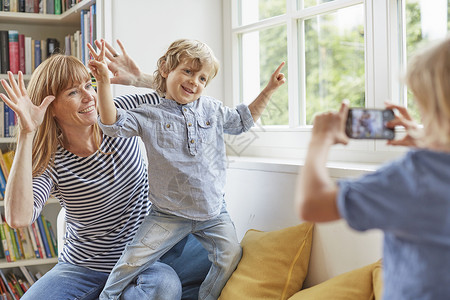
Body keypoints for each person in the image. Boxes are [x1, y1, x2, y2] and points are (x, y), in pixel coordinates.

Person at [0, 39, 212, 300]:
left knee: (166, 284)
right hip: (82, 267)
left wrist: (137, 78)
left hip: (139, 261)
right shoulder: (52, 160)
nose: (89, 96)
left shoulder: (118, 116)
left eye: (87, 84)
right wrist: (26, 133)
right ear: (50, 107)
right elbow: (19, 218)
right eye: (73, 92)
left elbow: (186, 98)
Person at [87, 39, 286, 300]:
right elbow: (111, 124)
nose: (195, 82)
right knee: (131, 261)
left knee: (230, 256)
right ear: (166, 68)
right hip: (167, 214)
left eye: (203, 78)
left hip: (213, 211)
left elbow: (242, 121)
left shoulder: (212, 109)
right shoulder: (150, 113)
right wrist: (103, 82)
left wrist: (269, 89)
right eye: (188, 72)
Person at [296, 37, 450, 299]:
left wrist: (319, 140)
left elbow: (312, 204)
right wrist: (430, 140)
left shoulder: (414, 177)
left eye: (421, 106)